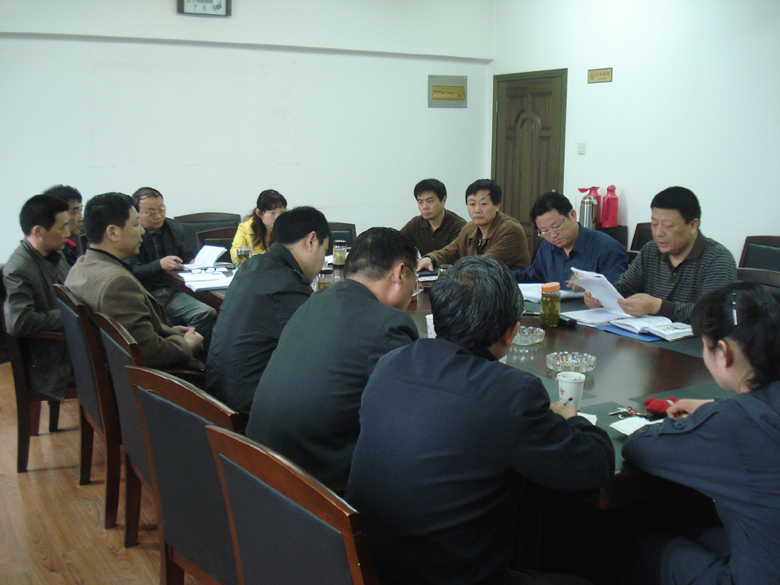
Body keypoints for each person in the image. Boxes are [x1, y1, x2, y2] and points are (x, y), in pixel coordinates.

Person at [346, 256, 614, 585]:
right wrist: (572, 419)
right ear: (510, 332)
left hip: (369, 566)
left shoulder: (391, 362)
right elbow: (594, 466)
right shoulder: (513, 393)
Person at [621, 282, 780, 585]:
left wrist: (712, 416)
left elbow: (639, 447)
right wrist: (719, 408)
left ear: (723, 352)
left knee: (650, 546)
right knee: (693, 530)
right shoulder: (742, 415)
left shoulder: (730, 423)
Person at [245, 227, 420, 486]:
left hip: (255, 465)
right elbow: (410, 415)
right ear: (400, 273)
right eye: (415, 278)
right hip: (315, 486)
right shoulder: (389, 324)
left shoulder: (314, 301)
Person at [205, 206, 331, 412]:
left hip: (217, 395)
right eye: (324, 251)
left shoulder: (252, 266)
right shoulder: (288, 287)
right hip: (247, 410)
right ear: (311, 240)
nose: (322, 262)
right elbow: (321, 352)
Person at [65, 192, 204, 369]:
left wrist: (168, 332)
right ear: (113, 232)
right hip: (154, 377)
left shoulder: (81, 266)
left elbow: (131, 335)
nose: (142, 231)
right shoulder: (117, 283)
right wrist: (187, 345)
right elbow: (150, 353)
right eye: (136, 224)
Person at [584, 187, 736, 323]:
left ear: (693, 225)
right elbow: (626, 287)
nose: (658, 233)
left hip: (695, 343)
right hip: (648, 338)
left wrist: (658, 307)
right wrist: (600, 295)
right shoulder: (651, 250)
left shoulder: (717, 259)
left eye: (668, 226)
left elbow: (713, 314)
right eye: (654, 224)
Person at [3, 194, 72, 400]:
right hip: (52, 363)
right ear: (38, 231)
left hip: (69, 345)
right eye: (62, 227)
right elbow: (19, 322)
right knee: (119, 367)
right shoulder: (19, 268)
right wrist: (71, 315)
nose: (68, 233)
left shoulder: (54, 253)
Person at [127, 187, 217, 345]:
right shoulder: (129, 235)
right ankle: (177, 347)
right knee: (158, 325)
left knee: (207, 312)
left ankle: (191, 345)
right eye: (151, 212)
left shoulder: (174, 228)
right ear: (136, 213)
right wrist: (159, 264)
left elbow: (185, 255)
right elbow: (131, 271)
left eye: (161, 209)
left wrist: (191, 261)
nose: (158, 216)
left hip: (174, 290)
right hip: (146, 295)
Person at [514, 191, 627, 286]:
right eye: (545, 231)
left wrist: (593, 283)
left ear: (572, 215)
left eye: (556, 227)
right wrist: (505, 276)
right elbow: (533, 277)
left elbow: (620, 289)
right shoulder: (547, 247)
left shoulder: (607, 248)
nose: (553, 235)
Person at [416, 179, 530, 272]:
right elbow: (450, 251)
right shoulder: (469, 228)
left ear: (497, 206)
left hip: (510, 289)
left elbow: (483, 265)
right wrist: (430, 258)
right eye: (472, 204)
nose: (477, 210)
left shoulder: (510, 230)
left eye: (483, 204)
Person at [400, 178, 466, 256]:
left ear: (443, 200)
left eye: (429, 201)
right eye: (420, 202)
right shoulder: (416, 223)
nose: (424, 207)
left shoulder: (459, 226)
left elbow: (453, 254)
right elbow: (396, 241)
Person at [230, 189, 287, 263]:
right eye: (272, 213)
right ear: (259, 213)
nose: (277, 218)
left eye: (281, 212)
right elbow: (236, 256)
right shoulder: (245, 228)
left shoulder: (287, 228)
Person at [42, 184, 84, 267]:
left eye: (81, 210)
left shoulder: (71, 247)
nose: (81, 218)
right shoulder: (51, 252)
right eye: (74, 212)